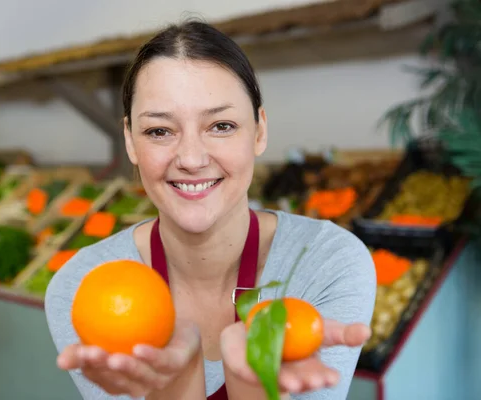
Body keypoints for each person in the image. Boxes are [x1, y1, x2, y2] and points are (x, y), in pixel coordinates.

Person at [45, 20, 376, 400]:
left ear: (259, 131)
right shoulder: (83, 290)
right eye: (159, 131)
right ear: (130, 141)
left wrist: (253, 384)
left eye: (220, 125)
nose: (190, 158)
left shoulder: (326, 264)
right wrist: (177, 378)